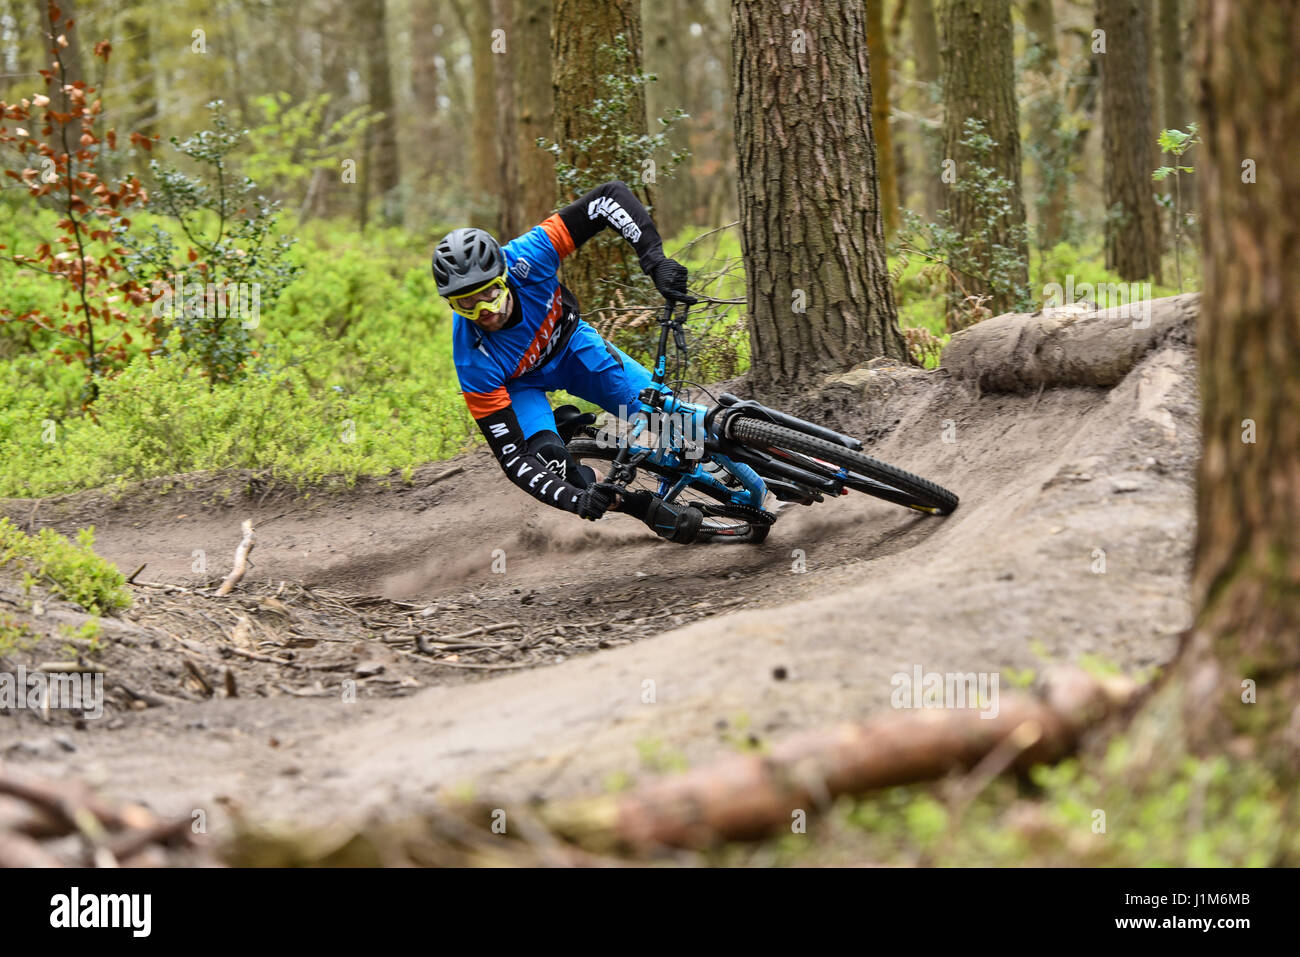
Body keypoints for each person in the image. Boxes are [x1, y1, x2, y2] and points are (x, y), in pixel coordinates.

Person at [433, 180, 703, 543]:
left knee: (665, 416)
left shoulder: (530, 255)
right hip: (520, 386)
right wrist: (578, 500)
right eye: (467, 303)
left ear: (505, 277)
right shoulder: (472, 361)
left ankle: (736, 458)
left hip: (572, 348)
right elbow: (514, 461)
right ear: (452, 304)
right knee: (552, 462)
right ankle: (640, 506)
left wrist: (654, 260)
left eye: (490, 293)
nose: (484, 310)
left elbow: (608, 198)